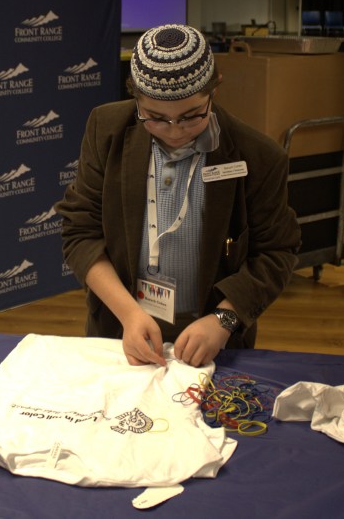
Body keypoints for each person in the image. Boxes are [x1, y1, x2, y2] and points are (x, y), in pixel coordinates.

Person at [55, 24, 301, 368]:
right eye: (155, 118)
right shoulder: (106, 129)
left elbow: (276, 252)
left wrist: (224, 319)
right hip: (120, 326)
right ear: (135, 97)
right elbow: (81, 233)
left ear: (213, 91)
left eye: (191, 116)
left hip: (212, 334)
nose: (174, 132)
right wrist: (128, 313)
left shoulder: (257, 156)